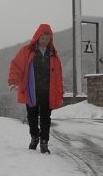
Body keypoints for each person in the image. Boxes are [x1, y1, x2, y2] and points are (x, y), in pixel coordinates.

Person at [8, 23, 64, 154]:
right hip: (31, 91)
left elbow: (58, 76)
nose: (45, 41)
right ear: (37, 37)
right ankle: (35, 137)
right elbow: (16, 66)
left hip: (47, 92)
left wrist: (60, 92)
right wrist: (13, 82)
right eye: (43, 38)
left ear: (50, 39)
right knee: (32, 116)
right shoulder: (27, 51)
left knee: (46, 117)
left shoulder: (53, 55)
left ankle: (44, 142)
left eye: (47, 38)